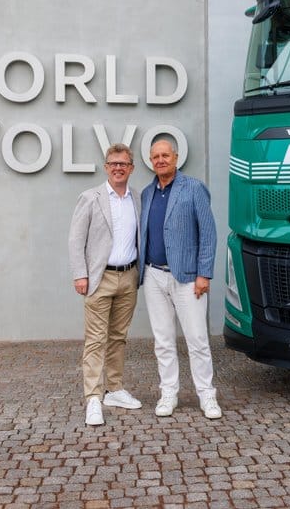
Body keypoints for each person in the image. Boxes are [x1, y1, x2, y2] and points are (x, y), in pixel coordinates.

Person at [139, 139, 221, 419]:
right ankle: (168, 393)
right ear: (151, 161)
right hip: (154, 275)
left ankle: (207, 395)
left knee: (197, 339)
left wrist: (204, 274)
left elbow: (208, 233)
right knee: (163, 341)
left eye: (165, 155)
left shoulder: (194, 188)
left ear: (175, 157)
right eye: (156, 156)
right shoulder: (147, 193)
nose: (160, 160)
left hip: (188, 278)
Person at [68, 143, 143, 426]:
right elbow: (76, 239)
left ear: (131, 168)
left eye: (123, 164)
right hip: (100, 278)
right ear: (106, 167)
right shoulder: (90, 198)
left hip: (129, 277)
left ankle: (115, 389)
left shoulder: (138, 198)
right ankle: (93, 398)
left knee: (118, 337)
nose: (118, 168)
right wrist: (80, 274)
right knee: (96, 339)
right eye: (113, 163)